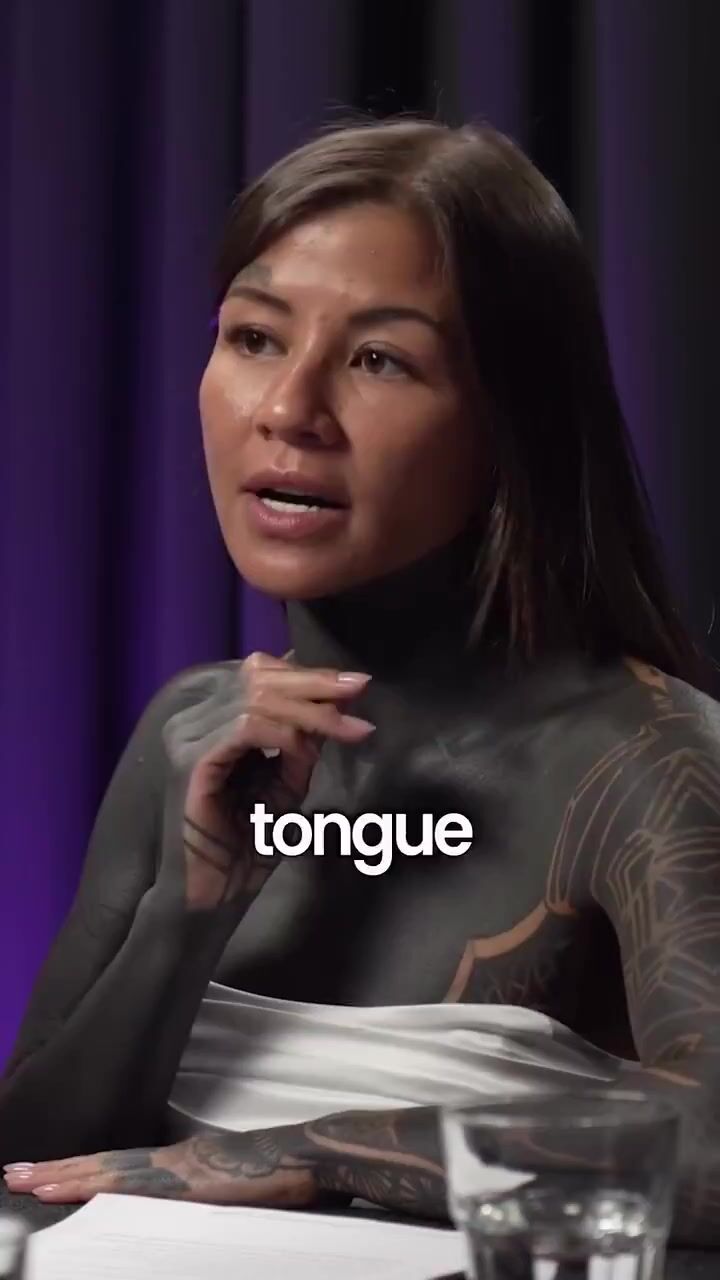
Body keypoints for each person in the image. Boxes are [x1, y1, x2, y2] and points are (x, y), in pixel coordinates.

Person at [2, 117, 720, 1246]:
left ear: (514, 419)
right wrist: (189, 909)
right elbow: (31, 1162)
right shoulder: (192, 729)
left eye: (380, 359)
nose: (288, 409)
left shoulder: (648, 758)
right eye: (253, 338)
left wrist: (314, 1150)